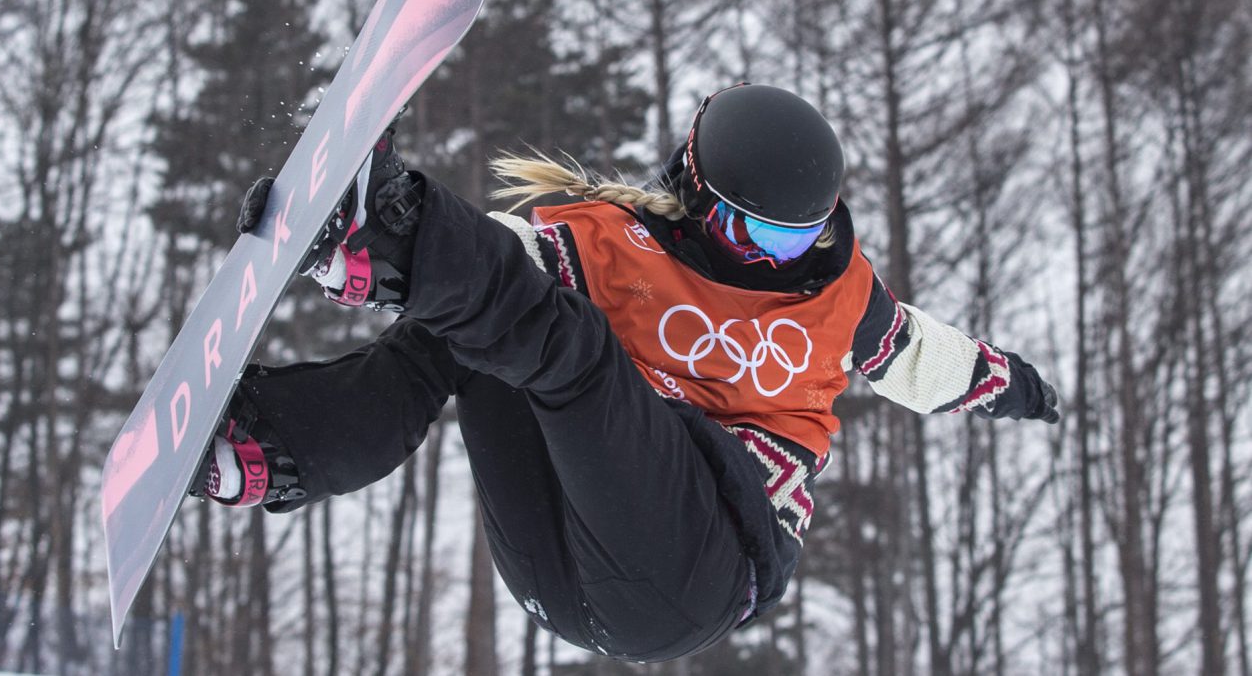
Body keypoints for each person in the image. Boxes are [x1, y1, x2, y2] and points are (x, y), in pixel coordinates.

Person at [192, 83, 1060, 662]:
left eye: (797, 237)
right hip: (555, 565)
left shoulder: (843, 297)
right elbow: (503, 268)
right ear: (695, 191)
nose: (776, 257)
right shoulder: (607, 247)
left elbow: (934, 361)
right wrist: (404, 263)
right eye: (755, 232)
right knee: (483, 329)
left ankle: (388, 241)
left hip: (699, 567)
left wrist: (1024, 387)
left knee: (567, 351)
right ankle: (272, 444)